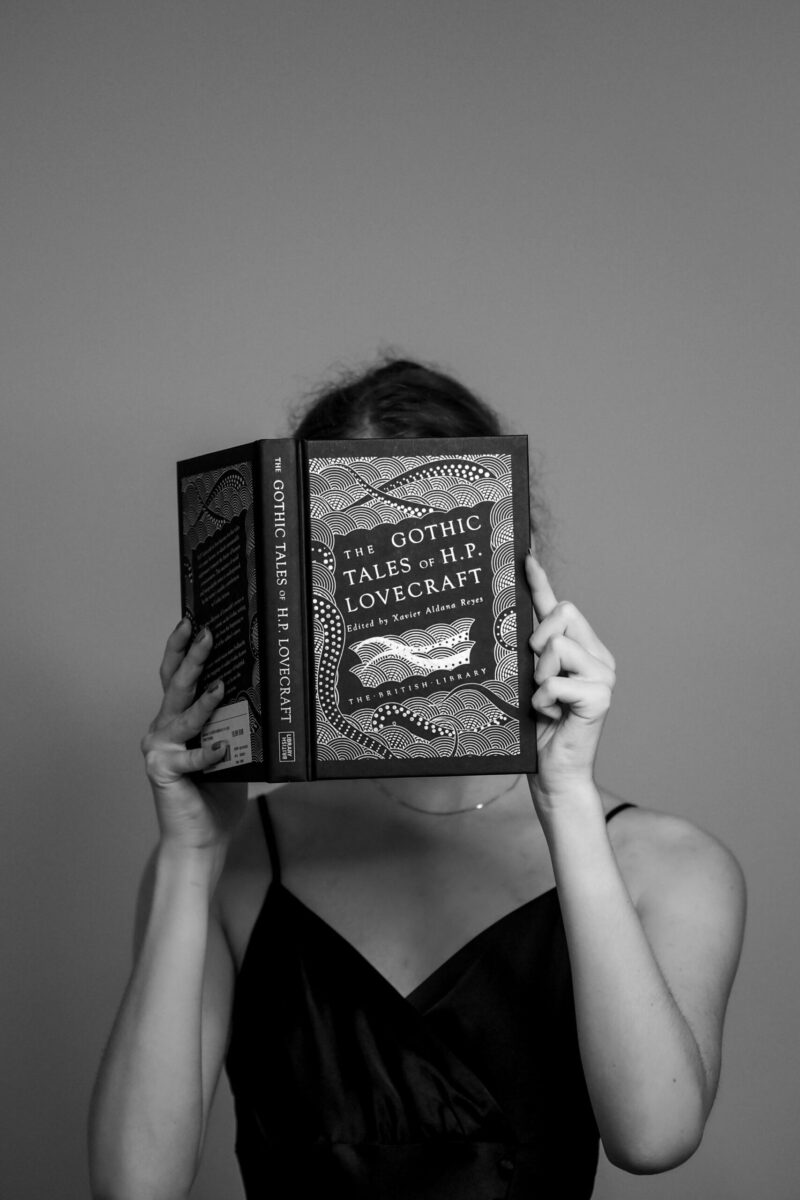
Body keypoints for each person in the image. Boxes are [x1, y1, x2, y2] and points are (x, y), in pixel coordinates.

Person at [88, 357, 746, 1200]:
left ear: (511, 561)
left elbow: (654, 1138)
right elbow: (134, 1187)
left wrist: (567, 799)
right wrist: (189, 854)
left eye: (424, 555)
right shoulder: (235, 859)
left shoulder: (670, 866)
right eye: (350, 560)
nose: (395, 601)